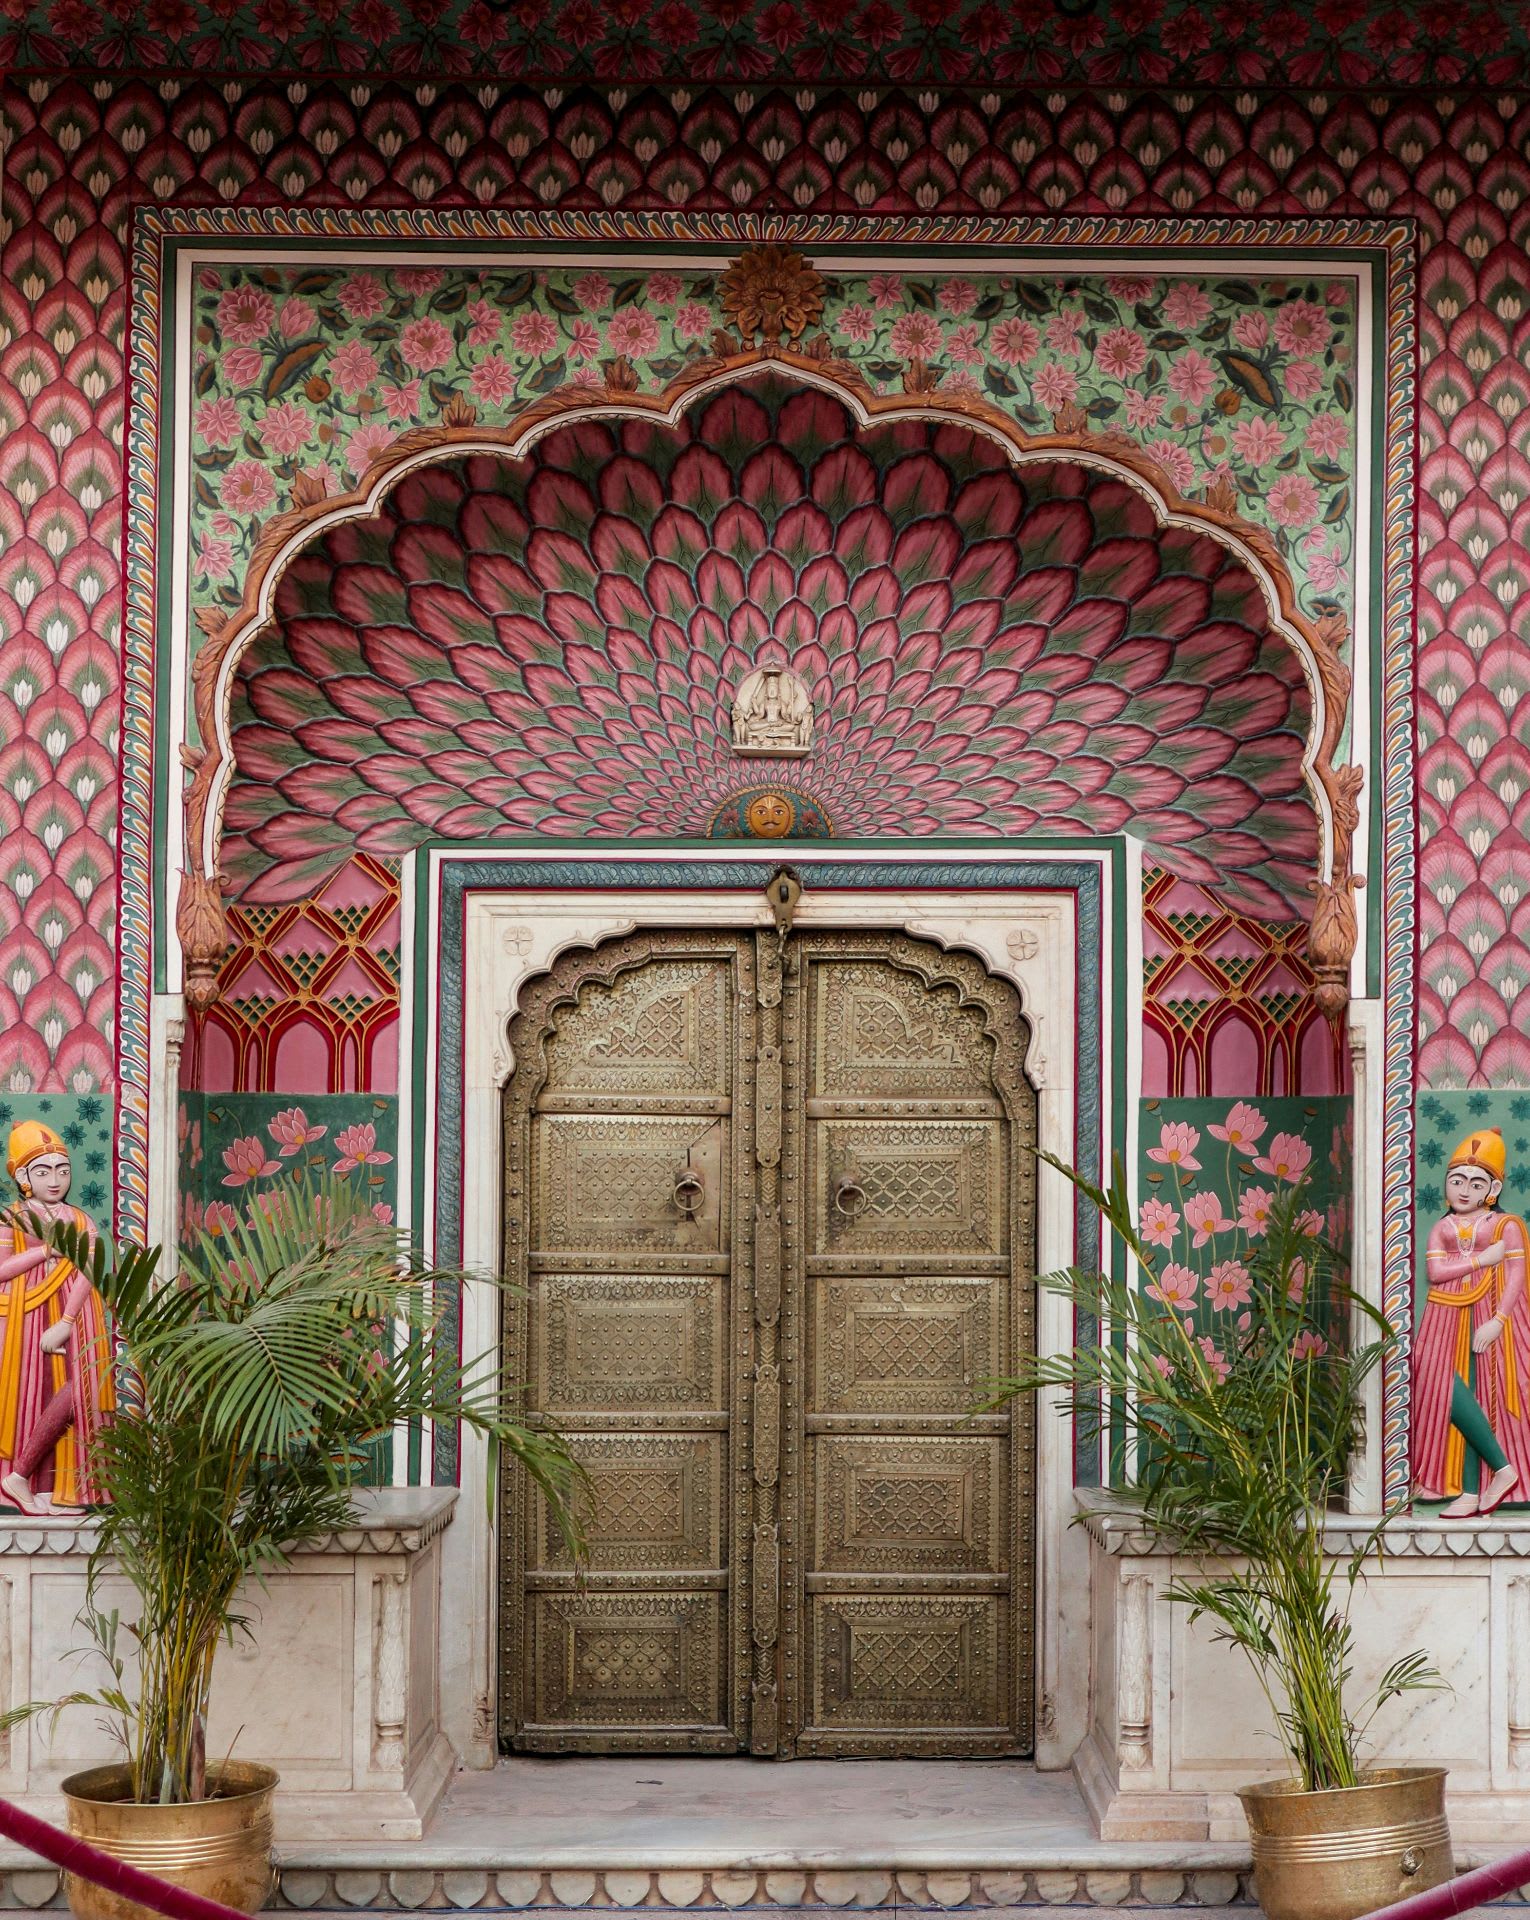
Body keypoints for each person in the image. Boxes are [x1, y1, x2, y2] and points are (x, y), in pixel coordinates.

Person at [1413, 1126, 1530, 1517]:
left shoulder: (1506, 1225)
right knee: (1434, 1380)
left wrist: (1498, 1320)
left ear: (1491, 1190)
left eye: (1476, 1183)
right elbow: (1436, 1272)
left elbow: (1516, 1276)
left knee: (1483, 1394)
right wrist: (1483, 1260)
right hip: (1442, 1314)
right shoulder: (1442, 1227)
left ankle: (1473, 1487)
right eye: (1457, 1180)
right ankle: (1500, 1468)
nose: (1464, 1190)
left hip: (1489, 1316)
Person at [0, 1122, 115, 1515]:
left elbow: (90, 1266)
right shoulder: (11, 1217)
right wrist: (45, 1252)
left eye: (62, 1170)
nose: (55, 1180)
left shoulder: (80, 1219)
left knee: (84, 1391)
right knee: (29, 1399)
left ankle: (44, 1484)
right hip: (22, 1320)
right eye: (43, 1171)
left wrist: (66, 1321)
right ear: (22, 1175)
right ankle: (24, 1480)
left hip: (77, 1319)